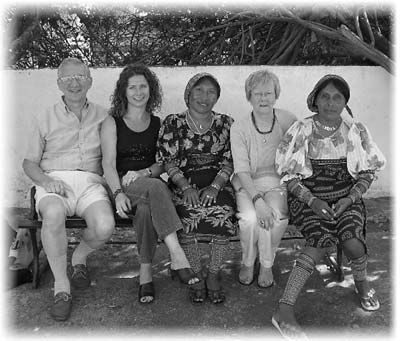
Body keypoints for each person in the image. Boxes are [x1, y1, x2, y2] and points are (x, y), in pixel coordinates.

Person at [272, 74, 386, 338]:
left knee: (353, 242)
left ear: (345, 102)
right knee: (320, 240)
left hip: (347, 197)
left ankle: (362, 282)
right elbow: (288, 176)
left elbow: (368, 172)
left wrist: (350, 198)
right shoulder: (301, 129)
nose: (331, 102)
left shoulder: (356, 131)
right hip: (308, 197)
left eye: (338, 97)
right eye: (325, 96)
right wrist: (312, 199)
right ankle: (284, 310)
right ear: (315, 99)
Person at [22, 57, 115, 321]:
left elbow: (108, 161)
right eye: (67, 79)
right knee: (52, 215)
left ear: (90, 81)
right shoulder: (44, 116)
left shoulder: (103, 116)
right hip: (54, 182)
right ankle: (62, 286)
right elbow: (29, 163)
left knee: (105, 226)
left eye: (80, 77)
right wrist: (45, 181)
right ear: (59, 83)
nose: (74, 83)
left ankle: (79, 256)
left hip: (89, 183)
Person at [100, 64, 199, 305]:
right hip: (123, 186)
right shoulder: (112, 123)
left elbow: (164, 163)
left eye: (143, 86)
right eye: (132, 87)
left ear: (150, 89)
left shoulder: (158, 124)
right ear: (123, 91)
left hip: (150, 186)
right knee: (156, 187)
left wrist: (143, 171)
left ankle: (145, 274)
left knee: (146, 206)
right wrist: (118, 193)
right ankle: (176, 253)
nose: (138, 92)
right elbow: (109, 165)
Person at [157, 72, 237, 305]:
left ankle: (213, 274)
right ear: (188, 93)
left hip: (217, 182)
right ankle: (195, 274)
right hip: (184, 181)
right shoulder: (173, 122)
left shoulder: (225, 123)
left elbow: (231, 160)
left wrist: (215, 187)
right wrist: (185, 187)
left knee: (223, 214)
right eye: (199, 90)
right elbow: (168, 161)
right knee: (186, 214)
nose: (205, 96)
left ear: (217, 96)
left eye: (211, 91)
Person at [230, 70, 297, 288]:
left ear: (276, 94)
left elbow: (298, 153)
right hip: (248, 181)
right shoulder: (239, 127)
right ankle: (248, 261)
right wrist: (258, 201)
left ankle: (267, 263)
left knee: (276, 216)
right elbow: (241, 169)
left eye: (268, 93)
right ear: (249, 96)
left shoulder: (288, 120)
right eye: (257, 93)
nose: (263, 98)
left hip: (277, 182)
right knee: (250, 218)